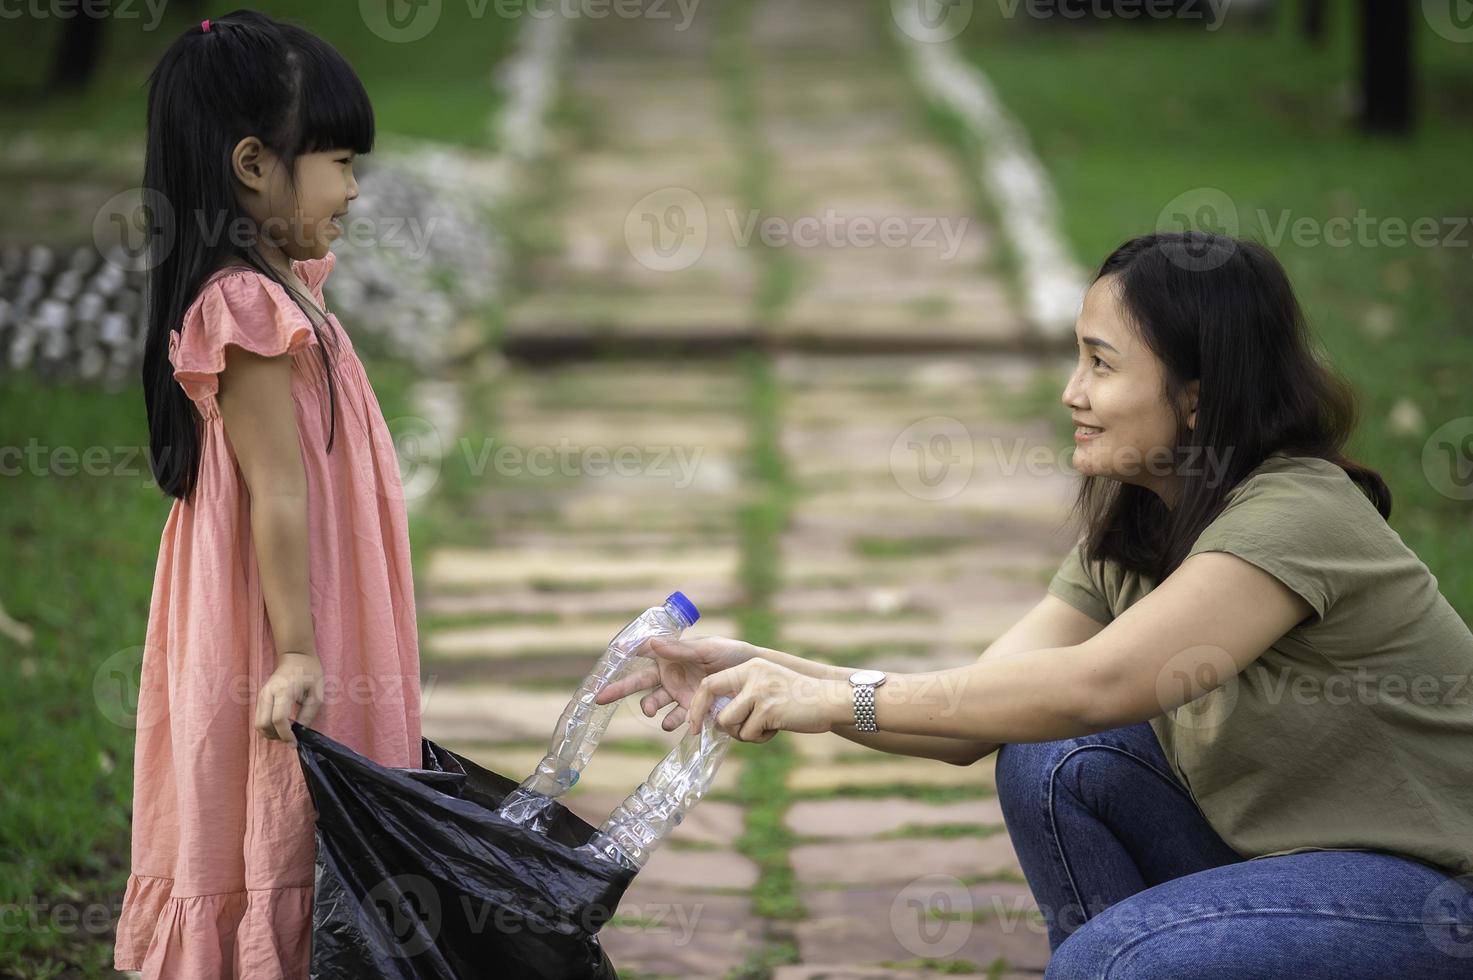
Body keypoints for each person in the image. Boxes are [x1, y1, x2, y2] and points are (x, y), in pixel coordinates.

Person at [597, 231, 1473, 977]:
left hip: (1432, 893)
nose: (1072, 393)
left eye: (1101, 363)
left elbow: (1100, 683)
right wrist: (770, 672)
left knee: (1111, 960)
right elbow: (977, 713)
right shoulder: (1142, 524)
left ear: (1198, 396)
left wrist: (835, 697)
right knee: (1049, 761)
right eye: (1077, 357)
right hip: (1294, 863)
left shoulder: (1296, 513)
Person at [117, 12, 422, 978]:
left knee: (327, 789)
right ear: (255, 164)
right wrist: (296, 647)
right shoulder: (246, 309)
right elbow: (277, 496)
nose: (353, 185)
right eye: (336, 158)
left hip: (315, 589)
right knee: (280, 795)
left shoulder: (286, 286)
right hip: (276, 611)